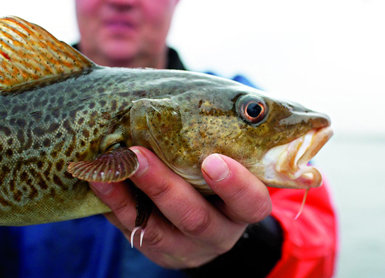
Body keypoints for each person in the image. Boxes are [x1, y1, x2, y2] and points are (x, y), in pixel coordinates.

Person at [0, 0, 338, 277]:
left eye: (253, 112)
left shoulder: (230, 93)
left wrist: (242, 248)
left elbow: (315, 249)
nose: (122, 2)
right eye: (254, 113)